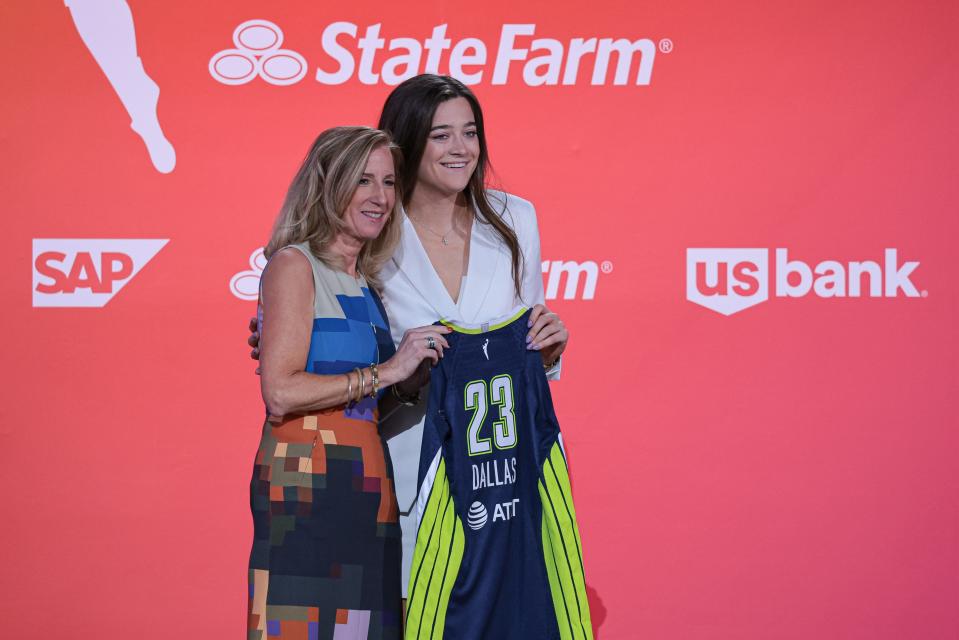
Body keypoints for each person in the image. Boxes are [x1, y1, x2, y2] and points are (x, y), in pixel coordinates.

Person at [249, 74, 570, 602]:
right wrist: (282, 329)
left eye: (470, 132)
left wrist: (550, 347)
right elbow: (333, 313)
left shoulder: (517, 219)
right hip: (409, 467)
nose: (461, 148)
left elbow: (527, 337)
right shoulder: (373, 226)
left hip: (504, 466)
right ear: (408, 142)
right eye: (441, 134)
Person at [248, 125, 451, 640]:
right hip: (308, 485)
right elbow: (281, 392)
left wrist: (410, 379)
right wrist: (388, 370)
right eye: (363, 181)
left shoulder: (368, 279)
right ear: (328, 184)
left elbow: (373, 398)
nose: (380, 197)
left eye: (388, 182)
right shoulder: (295, 264)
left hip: (367, 486)